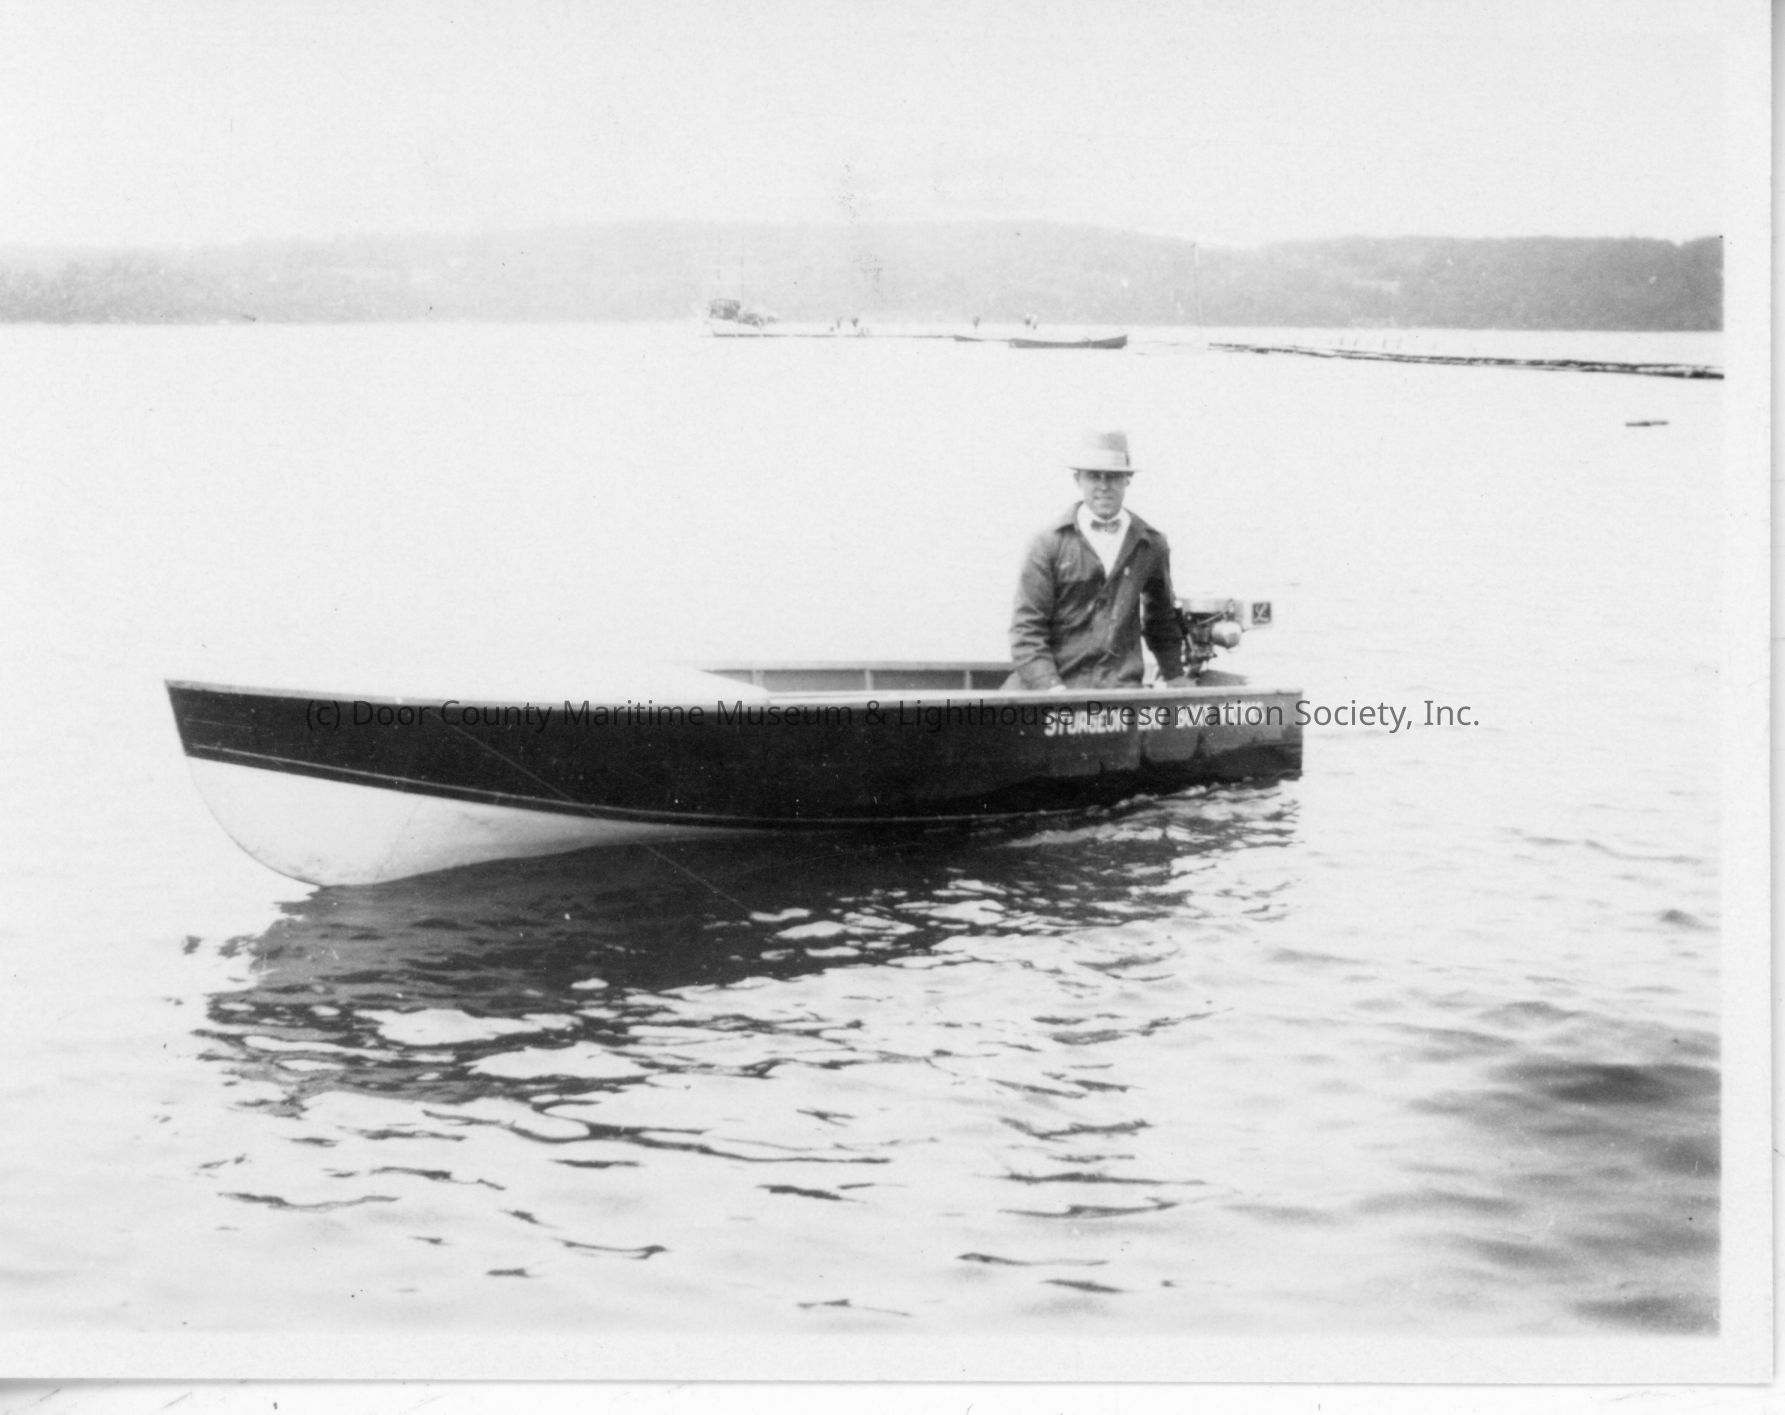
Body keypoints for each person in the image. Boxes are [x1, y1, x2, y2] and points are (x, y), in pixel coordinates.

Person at [1008, 429, 1190, 691]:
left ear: (1127, 479)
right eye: (1094, 476)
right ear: (1078, 479)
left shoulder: (1151, 544)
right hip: (1055, 689)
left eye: (1113, 477)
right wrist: (1052, 689)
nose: (1104, 486)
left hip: (1120, 690)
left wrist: (1175, 677)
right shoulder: (1048, 543)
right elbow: (1026, 632)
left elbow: (1161, 622)